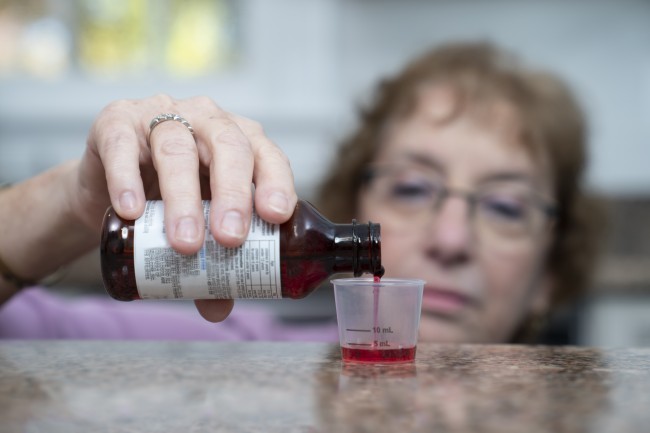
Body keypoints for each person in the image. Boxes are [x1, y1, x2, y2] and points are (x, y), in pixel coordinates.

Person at [0, 41, 604, 343]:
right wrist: (68, 205)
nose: (451, 240)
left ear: (551, 272)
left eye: (504, 206)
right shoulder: (242, 352)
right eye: (414, 188)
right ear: (357, 209)